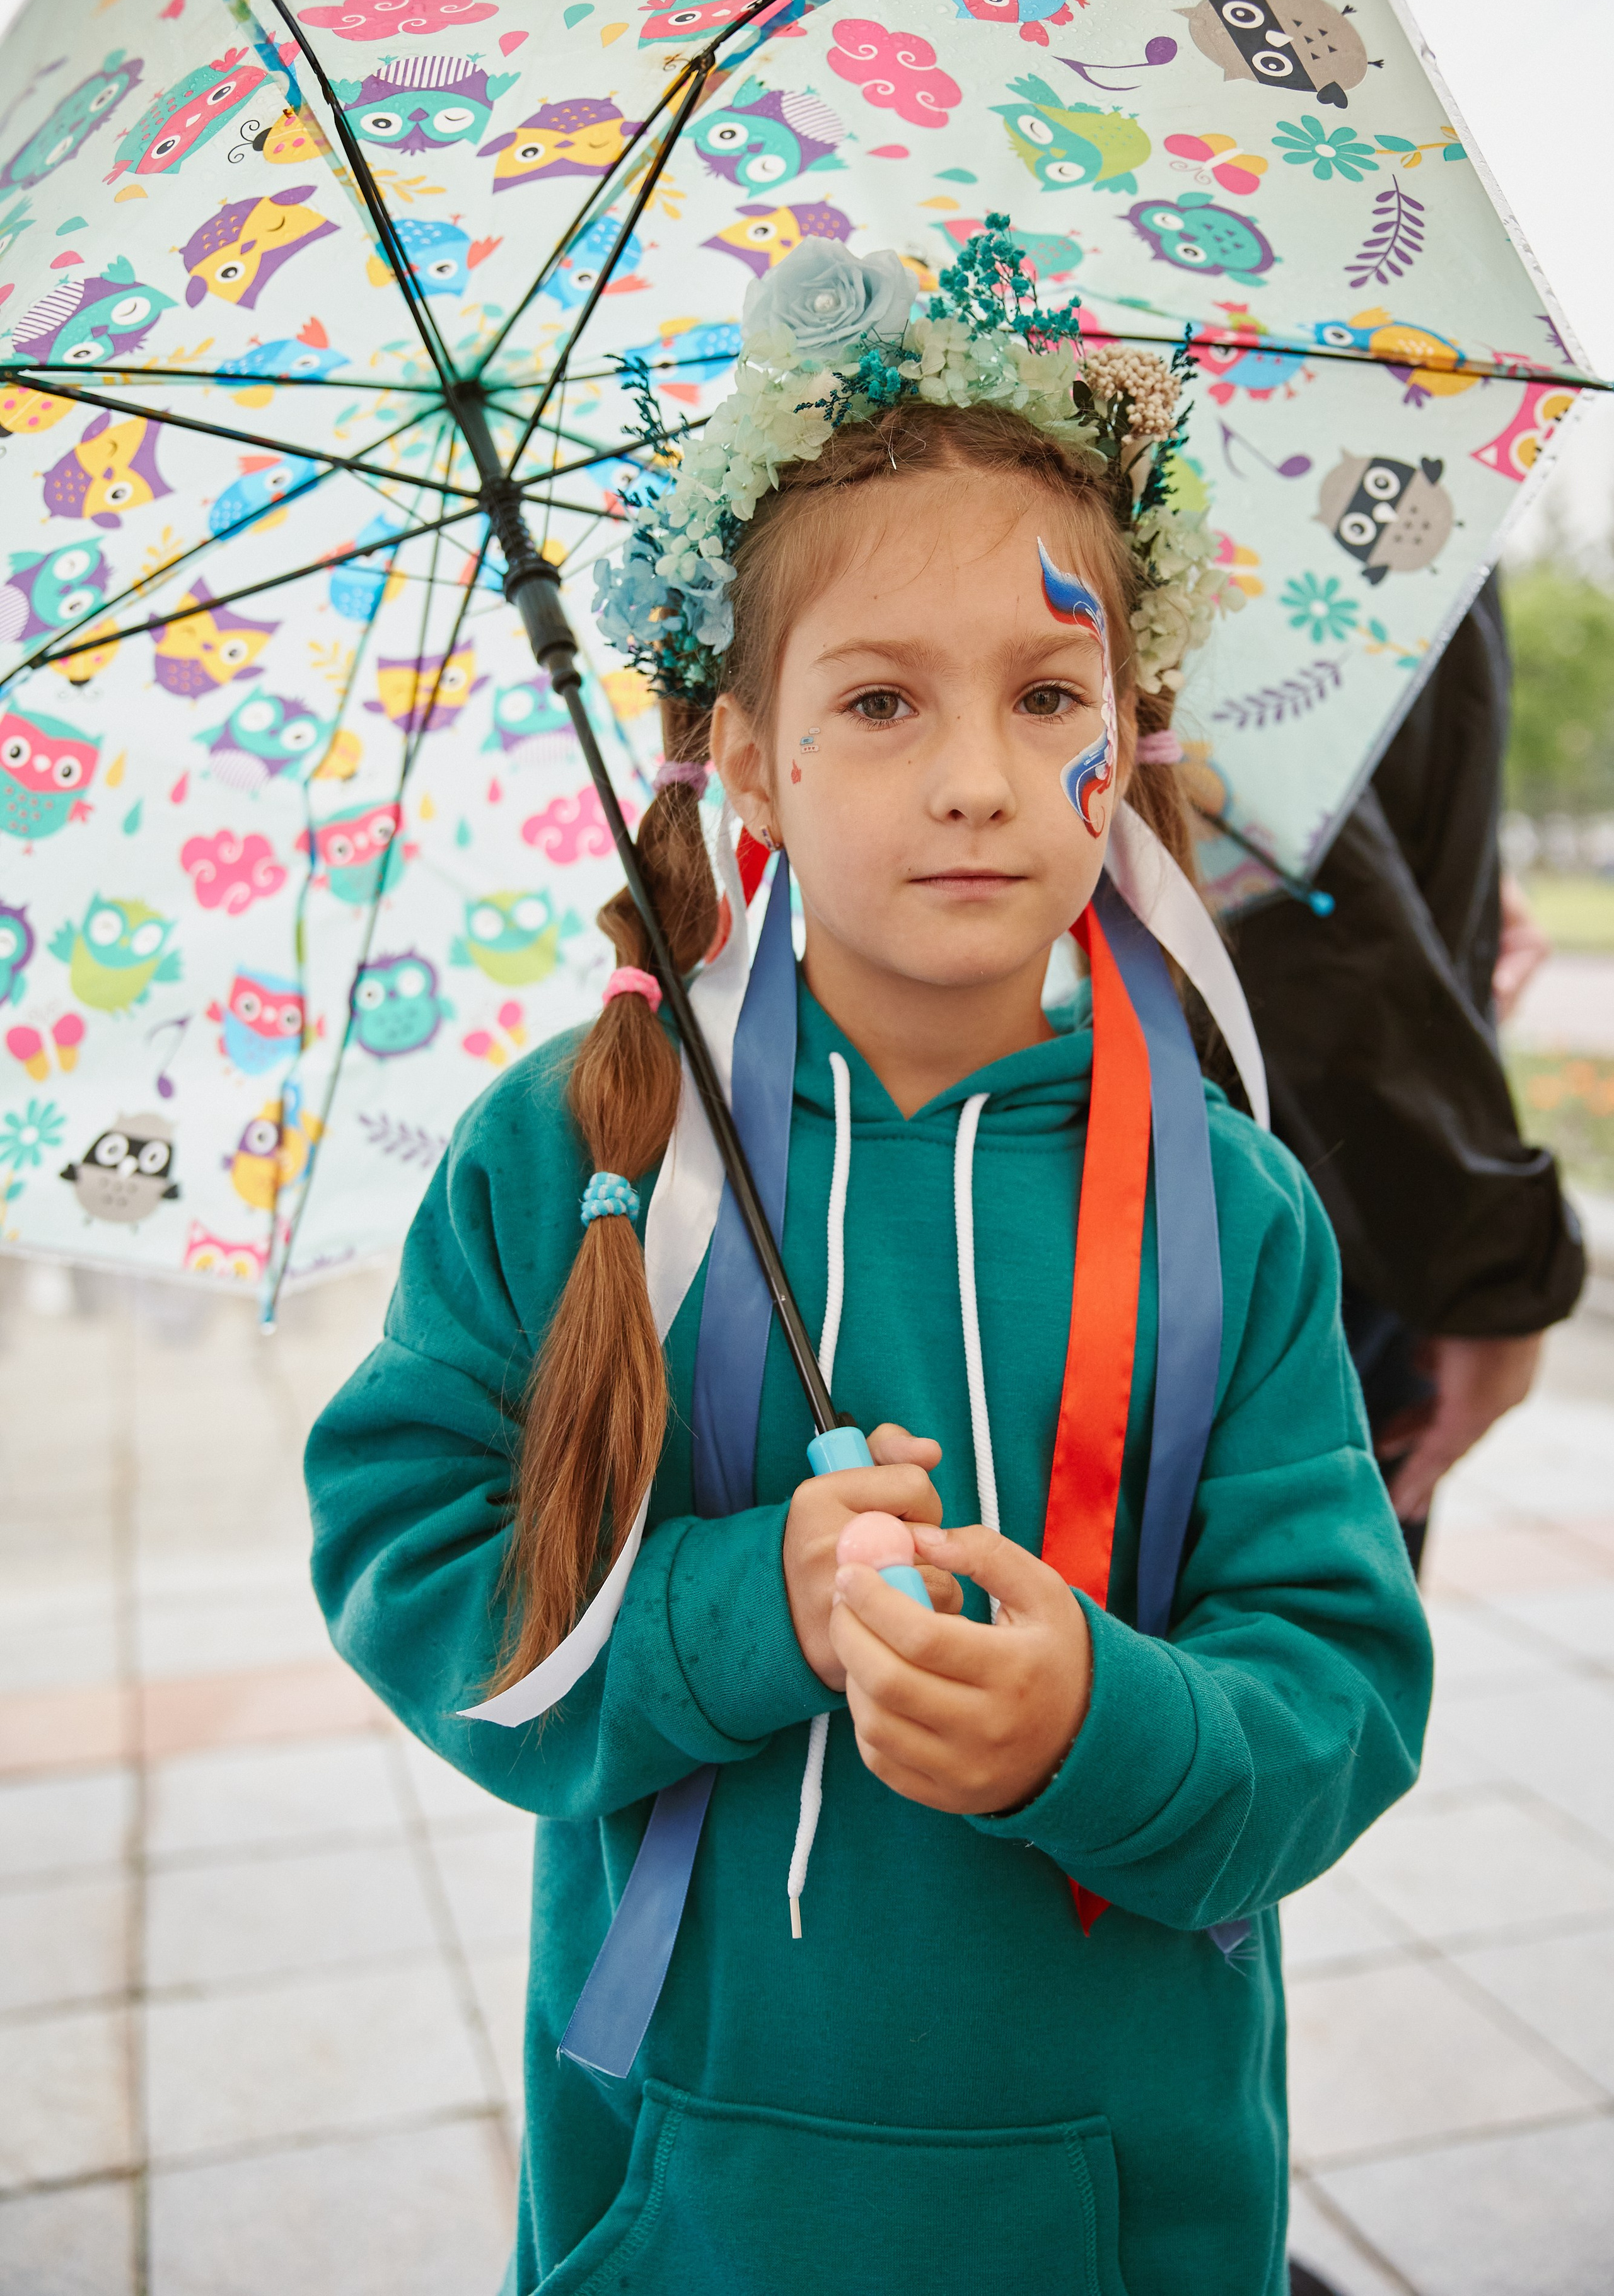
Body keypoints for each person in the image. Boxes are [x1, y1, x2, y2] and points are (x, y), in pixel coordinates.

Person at [305, 229, 1432, 2296]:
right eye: (883, 700)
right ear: (743, 752)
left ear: (1134, 724)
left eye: (1049, 695)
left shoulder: (1236, 1214)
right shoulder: (571, 1156)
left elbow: (1345, 1693)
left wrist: (1103, 1718)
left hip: (1119, 2205)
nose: (983, 777)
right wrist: (753, 1608)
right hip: (688, 2208)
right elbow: (413, 1569)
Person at [1227, 575, 1585, 1573]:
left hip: (1336, 1168)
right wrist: (1485, 1268)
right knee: (1296, 1673)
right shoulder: (1239, 429)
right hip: (1314, 1180)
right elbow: (1295, 882)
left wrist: (1457, 879)